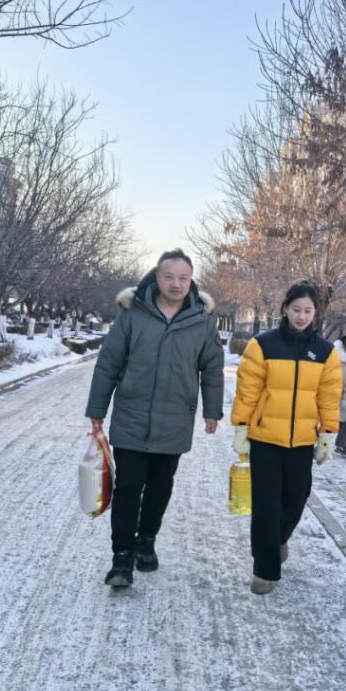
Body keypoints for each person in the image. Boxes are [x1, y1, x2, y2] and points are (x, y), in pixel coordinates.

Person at [85, 249, 224, 588]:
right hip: (131, 415)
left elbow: (212, 368)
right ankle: (121, 558)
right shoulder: (132, 315)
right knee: (128, 487)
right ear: (157, 277)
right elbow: (109, 364)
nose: (176, 284)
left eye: (183, 278)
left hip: (175, 418)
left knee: (160, 487)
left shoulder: (202, 321)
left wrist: (212, 410)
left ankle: (146, 540)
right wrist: (97, 411)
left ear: (191, 281)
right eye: (169, 276)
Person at [231, 282, 342, 595]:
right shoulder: (263, 344)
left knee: (296, 499)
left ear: (315, 312)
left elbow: (329, 397)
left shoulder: (325, 352)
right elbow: (248, 390)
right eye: (296, 309)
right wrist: (241, 427)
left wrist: (328, 434)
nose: (301, 316)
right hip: (265, 438)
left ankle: (278, 540)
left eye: (307, 310)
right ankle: (264, 570)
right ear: (285, 309)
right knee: (266, 505)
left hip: (302, 441)